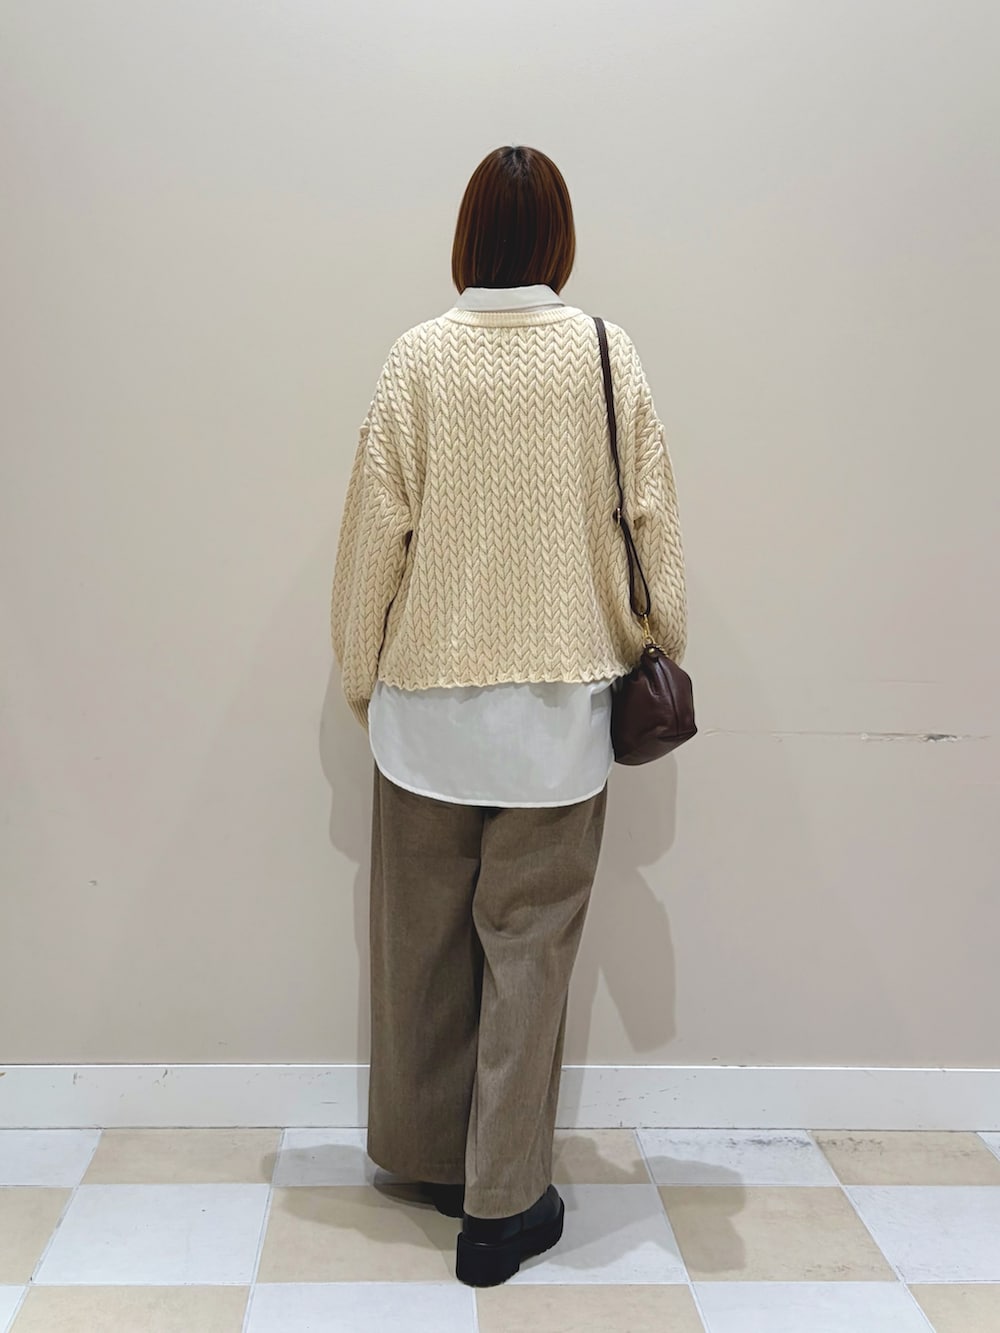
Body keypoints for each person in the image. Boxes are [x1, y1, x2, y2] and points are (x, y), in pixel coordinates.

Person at [330, 144, 687, 1287]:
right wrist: (659, 642)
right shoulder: (604, 354)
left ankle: (433, 1161)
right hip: (556, 719)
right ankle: (501, 1204)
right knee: (527, 955)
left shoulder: (416, 358)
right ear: (558, 241)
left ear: (467, 236)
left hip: (424, 714)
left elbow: (373, 537)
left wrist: (363, 678)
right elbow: (651, 520)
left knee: (421, 950)